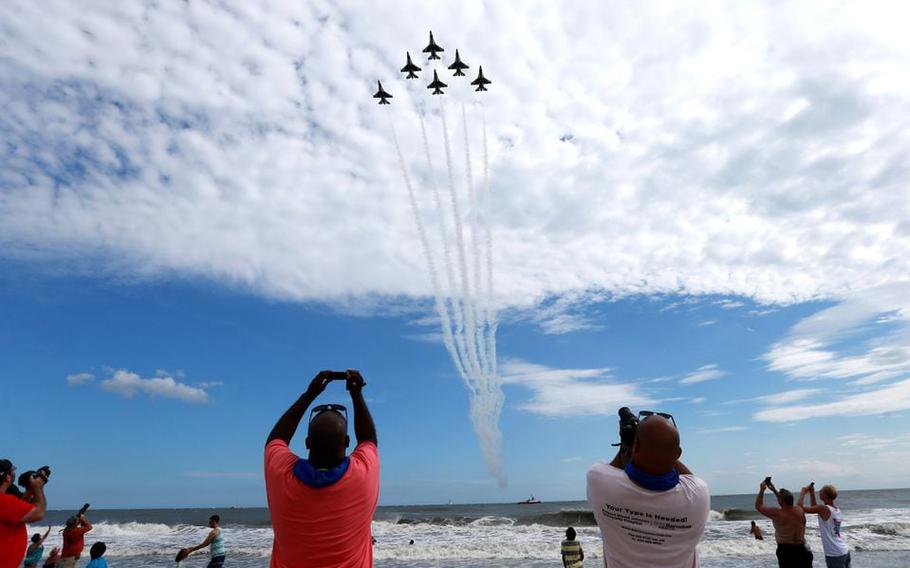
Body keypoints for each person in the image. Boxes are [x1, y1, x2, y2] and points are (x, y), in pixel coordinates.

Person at [265, 369, 379, 568]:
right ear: (347, 442)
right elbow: (368, 439)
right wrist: (356, 394)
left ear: (307, 442)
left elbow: (276, 439)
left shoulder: (281, 473)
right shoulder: (361, 476)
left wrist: (309, 395)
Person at [586, 413, 710, 568]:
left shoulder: (599, 481)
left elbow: (613, 467)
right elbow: (691, 480)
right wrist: (664, 449)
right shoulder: (698, 495)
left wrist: (628, 441)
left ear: (635, 446)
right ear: (678, 454)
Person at [0, 459, 47, 568]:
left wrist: (30, 490)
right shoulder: (4, 501)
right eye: (12, 470)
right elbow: (39, 513)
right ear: (7, 477)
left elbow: (19, 510)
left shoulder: (7, 502)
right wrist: (38, 488)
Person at [755, 479, 812, 567]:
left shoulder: (777, 513)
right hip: (803, 549)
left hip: (786, 551)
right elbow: (785, 500)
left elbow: (759, 506)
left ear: (780, 501)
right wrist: (774, 490)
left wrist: (762, 489)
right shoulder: (800, 510)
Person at [801, 483, 850, 568]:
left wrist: (803, 492)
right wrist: (812, 494)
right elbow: (815, 508)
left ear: (826, 495)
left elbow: (800, 507)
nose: (819, 492)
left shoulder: (824, 509)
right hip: (843, 551)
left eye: (821, 491)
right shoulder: (836, 510)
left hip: (835, 554)